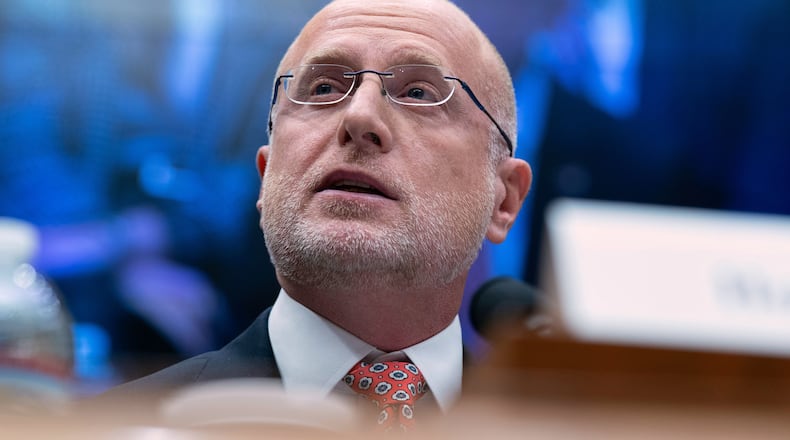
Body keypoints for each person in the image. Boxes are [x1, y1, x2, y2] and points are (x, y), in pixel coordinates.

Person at [100, 0, 532, 428]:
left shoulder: (568, 427)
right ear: (267, 179)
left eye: (418, 93)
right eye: (324, 88)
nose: (360, 116)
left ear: (503, 200)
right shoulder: (104, 430)